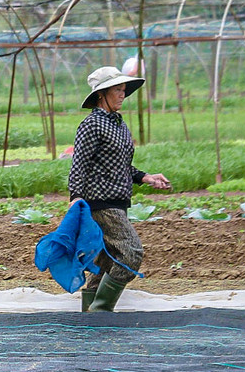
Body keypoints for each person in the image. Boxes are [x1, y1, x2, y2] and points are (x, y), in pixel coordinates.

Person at [68, 67, 170, 312]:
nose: (122, 94)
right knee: (131, 253)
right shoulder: (91, 124)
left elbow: (120, 165)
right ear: (101, 94)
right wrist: (75, 196)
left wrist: (146, 177)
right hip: (100, 202)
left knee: (106, 260)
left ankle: (91, 315)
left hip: (118, 201)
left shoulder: (118, 124)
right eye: (117, 89)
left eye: (124, 90)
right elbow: (79, 164)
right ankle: (101, 310)